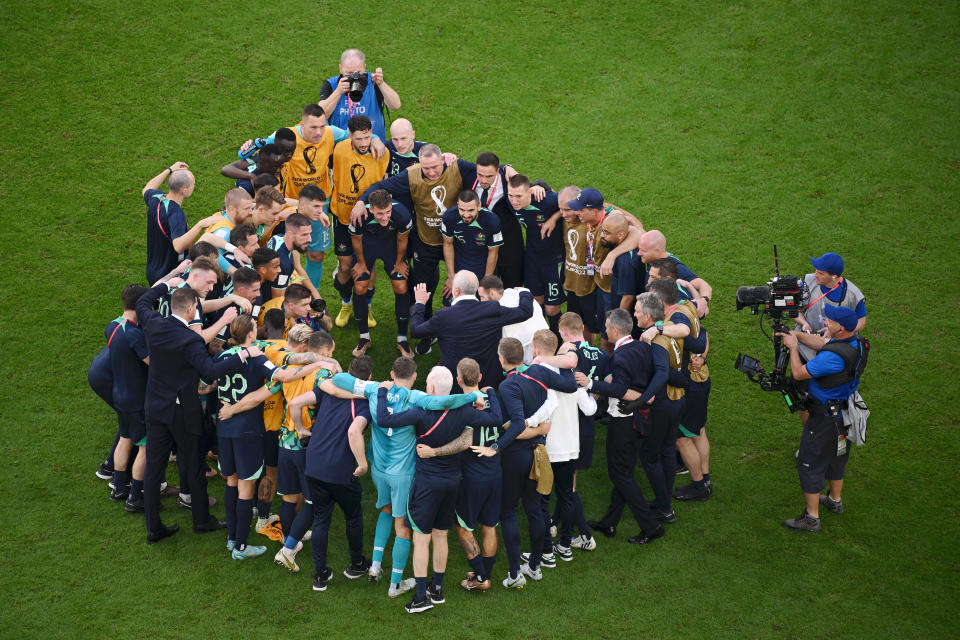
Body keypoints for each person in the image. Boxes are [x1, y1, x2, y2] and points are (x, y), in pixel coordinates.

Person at [323, 356, 484, 598]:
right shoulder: (416, 398)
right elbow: (446, 402)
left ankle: (376, 565)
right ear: (415, 376)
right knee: (403, 527)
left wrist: (371, 384)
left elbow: (340, 378)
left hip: (379, 469)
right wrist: (473, 396)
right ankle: (395, 584)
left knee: (385, 511)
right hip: (403, 473)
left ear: (391, 372)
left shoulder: (375, 389)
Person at [349, 146, 509, 353]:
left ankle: (465, 331)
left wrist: (508, 168)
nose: (431, 172)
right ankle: (427, 332)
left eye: (435, 166)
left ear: (443, 160)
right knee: (423, 288)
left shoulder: (457, 166)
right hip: (426, 242)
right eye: (426, 168)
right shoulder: (411, 175)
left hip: (456, 242)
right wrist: (362, 201)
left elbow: (487, 168)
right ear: (418, 164)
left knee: (458, 288)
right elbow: (381, 185)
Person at [375, 365, 503, 614]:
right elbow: (496, 419)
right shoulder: (464, 411)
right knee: (441, 535)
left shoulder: (420, 412)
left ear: (430, 388)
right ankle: (438, 589)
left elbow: (384, 420)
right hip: (452, 481)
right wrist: (493, 396)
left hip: (426, 483)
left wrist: (382, 393)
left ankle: (421, 597)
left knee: (421, 539)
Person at [135, 281, 252, 543]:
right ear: (189, 310)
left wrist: (166, 283)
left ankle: (153, 527)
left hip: (154, 407)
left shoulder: (153, 323)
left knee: (154, 468)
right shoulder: (189, 340)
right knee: (194, 464)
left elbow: (142, 302)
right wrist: (242, 355)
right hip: (182, 413)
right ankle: (201, 520)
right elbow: (210, 371)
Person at [208, 314, 326, 559]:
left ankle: (232, 539)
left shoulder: (223, 356)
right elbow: (282, 376)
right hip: (247, 429)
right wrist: (318, 363)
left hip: (224, 426)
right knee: (245, 486)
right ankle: (241, 546)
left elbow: (204, 384)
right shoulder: (258, 358)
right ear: (251, 334)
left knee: (230, 481)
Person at [470, 337, 578, 588]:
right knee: (534, 508)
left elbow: (517, 423)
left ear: (502, 358)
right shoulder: (539, 370)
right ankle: (536, 566)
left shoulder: (507, 386)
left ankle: (515, 574)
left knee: (508, 511)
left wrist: (495, 448)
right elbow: (570, 385)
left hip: (515, 457)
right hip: (538, 451)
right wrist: (566, 361)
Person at [579, 308, 666, 545]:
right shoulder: (641, 346)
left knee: (620, 475)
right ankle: (610, 521)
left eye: (606, 328)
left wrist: (591, 383)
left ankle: (651, 525)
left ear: (615, 330)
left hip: (624, 422)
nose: (605, 331)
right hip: (640, 419)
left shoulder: (620, 357)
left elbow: (618, 389)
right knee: (624, 472)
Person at [778, 305, 867, 532]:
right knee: (837, 457)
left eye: (830, 320)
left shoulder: (831, 359)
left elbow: (799, 373)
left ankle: (811, 518)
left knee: (808, 463)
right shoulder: (854, 343)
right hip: (843, 414)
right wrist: (796, 334)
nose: (826, 321)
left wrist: (793, 347)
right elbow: (825, 344)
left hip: (824, 418)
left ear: (842, 328)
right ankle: (834, 501)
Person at [302, 356, 375, 591]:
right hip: (341, 470)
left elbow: (295, 403)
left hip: (314, 465)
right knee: (353, 515)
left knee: (321, 517)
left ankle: (320, 575)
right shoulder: (364, 403)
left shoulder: (328, 390)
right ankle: (356, 564)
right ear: (369, 379)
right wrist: (363, 464)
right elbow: (354, 432)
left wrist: (302, 430)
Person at [645, 277, 712, 501]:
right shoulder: (689, 305)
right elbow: (703, 334)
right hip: (702, 378)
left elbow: (683, 330)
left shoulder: (676, 318)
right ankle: (705, 479)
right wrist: (701, 355)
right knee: (699, 430)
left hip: (690, 384)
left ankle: (699, 485)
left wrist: (658, 328)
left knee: (682, 438)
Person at [410, 271, 534, 388]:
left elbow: (416, 330)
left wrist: (420, 303)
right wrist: (524, 291)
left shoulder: (443, 317)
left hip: (457, 382)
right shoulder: (492, 309)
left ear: (457, 291)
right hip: (488, 381)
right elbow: (525, 312)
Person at [329, 115, 390, 328]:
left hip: (369, 221)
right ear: (349, 135)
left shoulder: (382, 154)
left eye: (367, 137)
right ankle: (346, 303)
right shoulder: (338, 149)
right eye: (359, 139)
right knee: (345, 267)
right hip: (343, 219)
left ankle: (367, 306)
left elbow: (385, 187)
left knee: (368, 266)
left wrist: (376, 139)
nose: (364, 143)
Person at [568, 189, 643, 351]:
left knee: (608, 340)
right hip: (600, 286)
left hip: (612, 291)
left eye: (581, 210)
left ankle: (611, 371)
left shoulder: (610, 223)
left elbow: (639, 233)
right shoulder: (597, 216)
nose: (576, 213)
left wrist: (612, 255)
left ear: (594, 212)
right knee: (603, 331)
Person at [348, 188, 414, 357]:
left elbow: (402, 239)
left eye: (388, 212)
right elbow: (356, 240)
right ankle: (364, 338)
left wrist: (399, 262)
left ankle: (402, 339)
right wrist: (362, 263)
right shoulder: (359, 215)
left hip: (390, 247)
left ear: (391, 206)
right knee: (360, 286)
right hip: (367, 247)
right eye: (379, 214)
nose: (385, 217)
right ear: (370, 209)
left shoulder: (403, 215)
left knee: (401, 286)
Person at [105, 285, 150, 511]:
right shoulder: (133, 334)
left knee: (125, 437)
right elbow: (153, 363)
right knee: (145, 446)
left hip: (119, 395)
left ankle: (119, 487)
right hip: (137, 399)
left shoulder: (112, 326)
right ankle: (134, 497)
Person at [142, 162, 221, 284]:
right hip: (168, 274)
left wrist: (169, 170)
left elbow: (146, 189)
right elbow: (178, 246)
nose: (194, 186)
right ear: (184, 191)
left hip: (153, 268)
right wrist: (200, 225)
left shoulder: (156, 198)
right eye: (193, 184)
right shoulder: (176, 214)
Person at [505, 174, 564, 334]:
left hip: (553, 260)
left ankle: (557, 344)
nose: (514, 200)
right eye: (511, 195)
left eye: (519, 196)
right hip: (531, 259)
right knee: (536, 304)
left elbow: (573, 202)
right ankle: (540, 340)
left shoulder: (548, 200)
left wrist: (554, 218)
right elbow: (502, 170)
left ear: (530, 192)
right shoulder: (511, 203)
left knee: (551, 308)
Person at [795, 252, 867, 362]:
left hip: (836, 348)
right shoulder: (809, 282)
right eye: (816, 271)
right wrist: (804, 323)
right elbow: (794, 309)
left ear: (834, 276)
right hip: (805, 343)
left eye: (821, 273)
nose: (815, 275)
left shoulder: (853, 295)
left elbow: (861, 322)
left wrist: (835, 330)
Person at [318, 48, 402, 140]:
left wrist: (381, 84)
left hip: (373, 146)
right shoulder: (331, 84)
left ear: (364, 67)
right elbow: (320, 115)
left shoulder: (374, 82)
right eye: (349, 73)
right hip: (340, 147)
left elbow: (396, 105)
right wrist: (338, 92)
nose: (354, 77)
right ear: (341, 69)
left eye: (358, 72)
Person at [440, 190, 503, 299]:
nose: (466, 215)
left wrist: (486, 281)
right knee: (450, 309)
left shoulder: (492, 221)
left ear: (479, 206)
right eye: (462, 210)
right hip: (459, 271)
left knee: (484, 311)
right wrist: (451, 276)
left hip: (482, 271)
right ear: (458, 205)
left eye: (471, 210)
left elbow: (493, 252)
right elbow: (447, 245)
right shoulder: (449, 217)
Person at [637, 229, 712, 318]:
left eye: (643, 251)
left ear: (657, 250)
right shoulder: (654, 260)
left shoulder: (674, 267)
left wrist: (703, 300)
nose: (638, 253)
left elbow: (703, 284)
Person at [477, 275, 548, 365]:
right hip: (546, 341)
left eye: (482, 296)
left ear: (492, 293)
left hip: (530, 355)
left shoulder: (499, 310)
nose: (481, 301)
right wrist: (525, 290)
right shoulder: (516, 293)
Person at [265, 212, 319, 299]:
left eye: (309, 234)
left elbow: (298, 266)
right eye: (304, 235)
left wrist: (316, 295)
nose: (310, 239)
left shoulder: (278, 238)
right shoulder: (283, 265)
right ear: (290, 234)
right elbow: (277, 301)